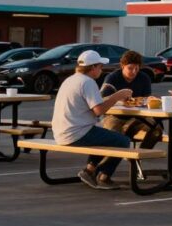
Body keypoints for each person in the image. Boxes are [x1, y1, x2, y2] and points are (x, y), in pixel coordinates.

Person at [51, 50, 133, 190]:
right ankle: (103, 176)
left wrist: (113, 98)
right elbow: (99, 111)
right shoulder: (88, 82)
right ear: (93, 67)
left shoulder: (71, 79)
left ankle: (89, 171)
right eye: (100, 66)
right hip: (76, 133)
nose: (101, 70)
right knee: (123, 141)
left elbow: (94, 103)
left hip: (61, 131)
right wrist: (117, 95)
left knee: (104, 135)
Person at [101, 50, 163, 151]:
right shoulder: (112, 78)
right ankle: (99, 164)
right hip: (114, 116)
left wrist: (152, 99)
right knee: (114, 141)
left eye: (136, 68)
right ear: (122, 66)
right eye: (130, 68)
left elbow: (146, 99)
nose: (134, 72)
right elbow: (102, 99)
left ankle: (137, 156)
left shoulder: (144, 78)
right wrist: (119, 100)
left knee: (157, 130)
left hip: (137, 118)